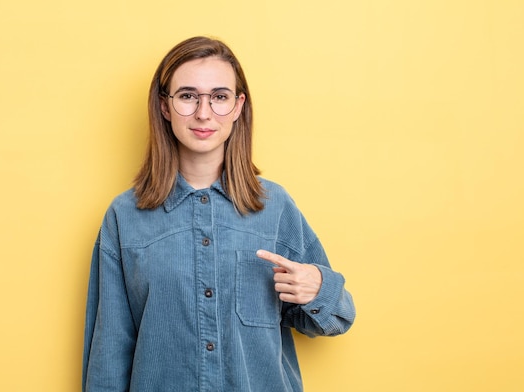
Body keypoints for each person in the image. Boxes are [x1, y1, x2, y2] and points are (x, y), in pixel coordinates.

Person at [82, 36, 355, 392]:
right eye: (187, 96)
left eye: (220, 97)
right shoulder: (125, 216)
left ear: (239, 106)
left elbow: (336, 319)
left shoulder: (275, 207)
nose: (204, 113)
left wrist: (318, 288)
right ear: (165, 106)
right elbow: (108, 353)